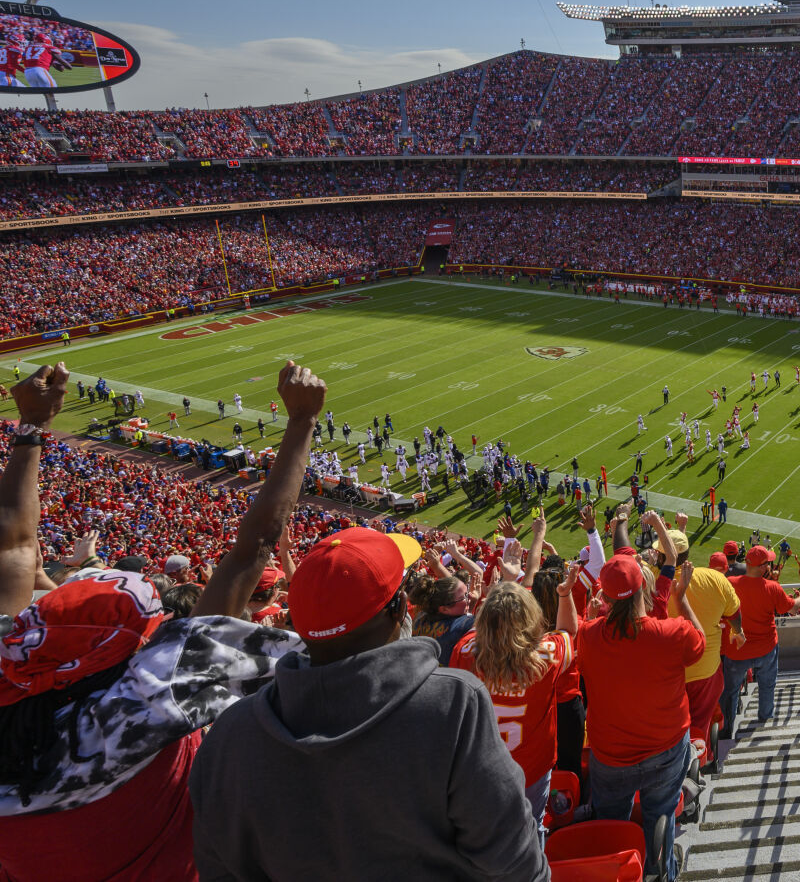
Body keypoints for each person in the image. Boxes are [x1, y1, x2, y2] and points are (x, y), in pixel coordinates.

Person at [0, 362, 314, 882]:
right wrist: (301, 421)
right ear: (111, 659)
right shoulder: (147, 700)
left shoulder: (16, 666)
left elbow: (14, 548)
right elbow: (252, 549)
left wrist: (31, 428)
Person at [191, 525, 547, 882]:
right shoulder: (452, 705)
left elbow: (217, 866)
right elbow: (515, 860)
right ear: (401, 609)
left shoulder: (230, 733)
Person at [577, 548, 704, 882]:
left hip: (611, 755)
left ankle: (617, 872)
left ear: (604, 594)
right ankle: (660, 871)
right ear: (641, 589)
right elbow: (700, 644)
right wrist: (682, 597)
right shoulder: (672, 632)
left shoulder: (588, 635)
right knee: (660, 820)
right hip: (664, 748)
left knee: (611, 828)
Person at [449, 567, 579, 823]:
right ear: (531, 618)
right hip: (531, 767)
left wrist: (495, 593)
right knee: (532, 826)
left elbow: (482, 632)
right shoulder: (547, 655)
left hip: (481, 768)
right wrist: (564, 595)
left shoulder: (464, 649)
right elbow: (569, 633)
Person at [660, 529, 742, 757]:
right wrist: (738, 631)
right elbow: (735, 612)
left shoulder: (649, 581)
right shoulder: (714, 579)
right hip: (705, 668)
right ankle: (699, 762)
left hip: (666, 673)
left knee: (668, 725)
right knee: (700, 723)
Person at [717, 546, 800, 737]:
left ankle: (726, 731)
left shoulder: (730, 583)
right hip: (766, 649)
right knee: (767, 686)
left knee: (730, 692)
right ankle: (765, 720)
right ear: (763, 567)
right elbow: (793, 609)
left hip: (737, 650)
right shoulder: (772, 587)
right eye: (767, 563)